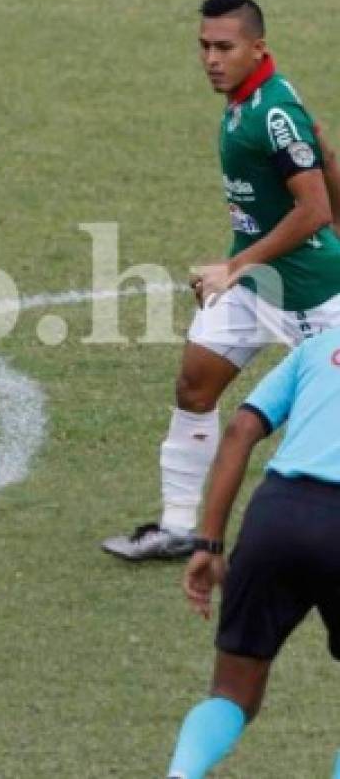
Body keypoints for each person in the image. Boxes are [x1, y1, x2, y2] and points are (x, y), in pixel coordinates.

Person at [102, 0, 340, 561]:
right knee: (195, 384)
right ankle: (179, 527)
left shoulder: (271, 112)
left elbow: (314, 212)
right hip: (260, 285)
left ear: (258, 48)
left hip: (312, 295)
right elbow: (325, 155)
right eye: (204, 46)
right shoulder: (246, 99)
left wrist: (233, 266)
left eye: (225, 47)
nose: (212, 58)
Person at [166, 326, 340, 777]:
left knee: (231, 691)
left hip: (277, 515)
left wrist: (208, 542)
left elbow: (241, 429)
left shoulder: (321, 345)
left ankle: (181, 775)